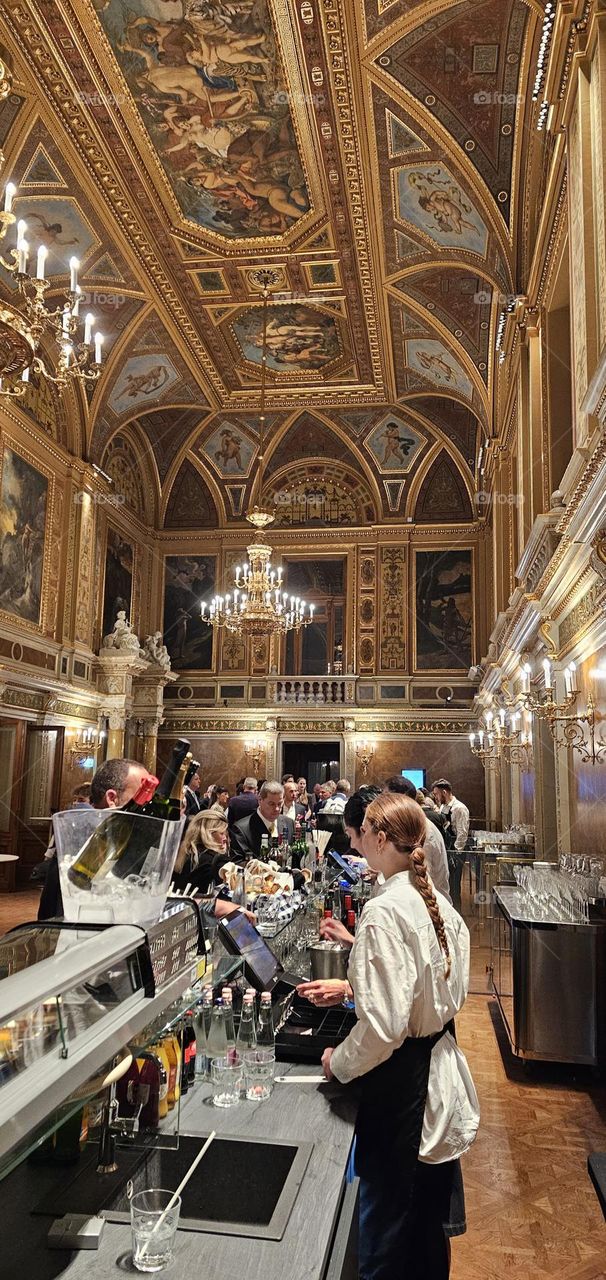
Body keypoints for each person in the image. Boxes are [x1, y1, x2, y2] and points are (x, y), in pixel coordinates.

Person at [299, 792, 478, 1280]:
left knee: (386, 1236)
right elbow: (429, 988)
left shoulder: (383, 912)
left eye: (361, 838)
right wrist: (359, 988)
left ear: (380, 839)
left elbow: (383, 1030)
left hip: (404, 1088)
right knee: (423, 1232)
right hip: (435, 1066)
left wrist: (339, 1062)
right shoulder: (433, 900)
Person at [38, 758, 150, 920]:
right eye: (142, 794)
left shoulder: (137, 840)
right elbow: (53, 919)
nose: (149, 805)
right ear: (112, 798)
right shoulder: (78, 845)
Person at [384, 776, 451, 902]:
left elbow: (422, 878)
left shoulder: (420, 829)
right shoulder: (409, 825)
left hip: (431, 906)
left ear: (400, 800)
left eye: (386, 798)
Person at [229, 780, 294, 862]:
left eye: (279, 804)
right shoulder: (241, 829)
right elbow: (238, 863)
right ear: (260, 800)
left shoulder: (289, 823)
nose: (277, 809)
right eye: (271, 804)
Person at [432, 779, 470, 912]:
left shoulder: (460, 808)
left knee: (454, 886)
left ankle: (457, 913)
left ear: (444, 792)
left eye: (437, 794)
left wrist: (456, 853)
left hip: (455, 852)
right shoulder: (443, 807)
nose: (436, 797)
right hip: (446, 849)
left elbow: (462, 833)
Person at [171, 811, 229, 894]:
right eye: (222, 833)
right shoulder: (214, 861)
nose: (225, 838)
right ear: (209, 834)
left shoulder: (181, 853)